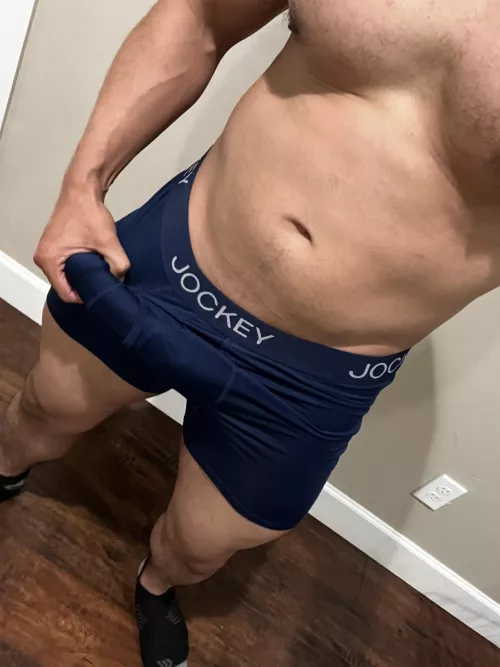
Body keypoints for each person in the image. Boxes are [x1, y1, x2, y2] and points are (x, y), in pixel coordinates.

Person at [1, 0, 499, 665]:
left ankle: (157, 585)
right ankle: (7, 468)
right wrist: (82, 185)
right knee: (43, 406)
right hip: (172, 263)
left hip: (319, 375)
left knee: (198, 546)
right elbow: (199, 18)